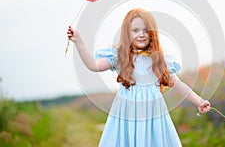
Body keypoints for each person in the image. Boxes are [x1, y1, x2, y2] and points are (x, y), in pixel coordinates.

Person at [67, 8, 211, 147]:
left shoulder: (159, 60)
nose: (141, 34)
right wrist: (79, 42)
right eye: (135, 30)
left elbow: (179, 85)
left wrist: (199, 101)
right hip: (126, 113)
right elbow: (93, 65)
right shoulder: (120, 56)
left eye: (146, 30)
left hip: (153, 115)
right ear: (126, 33)